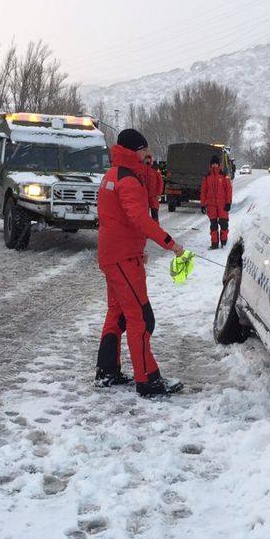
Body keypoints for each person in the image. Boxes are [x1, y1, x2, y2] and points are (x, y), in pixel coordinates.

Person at [96, 129, 185, 398]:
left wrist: (137, 249)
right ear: (135, 151)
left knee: (118, 314)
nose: (149, 154)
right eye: (145, 149)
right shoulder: (128, 180)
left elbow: (119, 220)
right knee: (141, 318)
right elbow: (140, 219)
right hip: (123, 259)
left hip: (115, 256)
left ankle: (107, 371)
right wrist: (171, 243)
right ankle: (148, 380)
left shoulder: (112, 176)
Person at [199, 155, 233, 249]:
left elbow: (228, 190)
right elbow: (203, 191)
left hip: (222, 205)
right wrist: (202, 204)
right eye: (213, 164)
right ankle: (214, 243)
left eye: (216, 163)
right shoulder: (207, 177)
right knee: (213, 225)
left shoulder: (224, 175)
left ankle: (224, 241)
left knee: (224, 224)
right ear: (211, 165)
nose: (214, 165)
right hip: (211, 205)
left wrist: (228, 202)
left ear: (218, 164)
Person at [144, 152, 163, 222]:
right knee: (143, 215)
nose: (147, 160)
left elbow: (160, 182)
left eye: (148, 158)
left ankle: (155, 230)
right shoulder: (141, 168)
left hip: (154, 196)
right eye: (146, 158)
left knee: (154, 215)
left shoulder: (155, 169)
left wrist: (159, 193)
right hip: (144, 196)